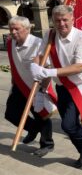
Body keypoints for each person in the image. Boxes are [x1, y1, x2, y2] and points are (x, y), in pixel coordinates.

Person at [30, 5, 82, 168]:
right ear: (53, 20)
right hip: (61, 86)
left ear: (72, 19)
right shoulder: (50, 35)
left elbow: (79, 67)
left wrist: (49, 72)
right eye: (57, 20)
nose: (61, 23)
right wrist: (35, 68)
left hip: (78, 86)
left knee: (68, 125)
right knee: (70, 125)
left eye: (65, 19)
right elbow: (42, 57)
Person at [5, 16, 56, 157]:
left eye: (17, 29)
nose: (13, 32)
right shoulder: (10, 43)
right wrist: (13, 80)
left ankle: (47, 144)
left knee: (41, 115)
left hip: (36, 86)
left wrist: (43, 90)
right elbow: (14, 63)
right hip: (19, 84)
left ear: (27, 29)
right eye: (11, 29)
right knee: (11, 114)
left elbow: (47, 69)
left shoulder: (38, 44)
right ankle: (32, 129)